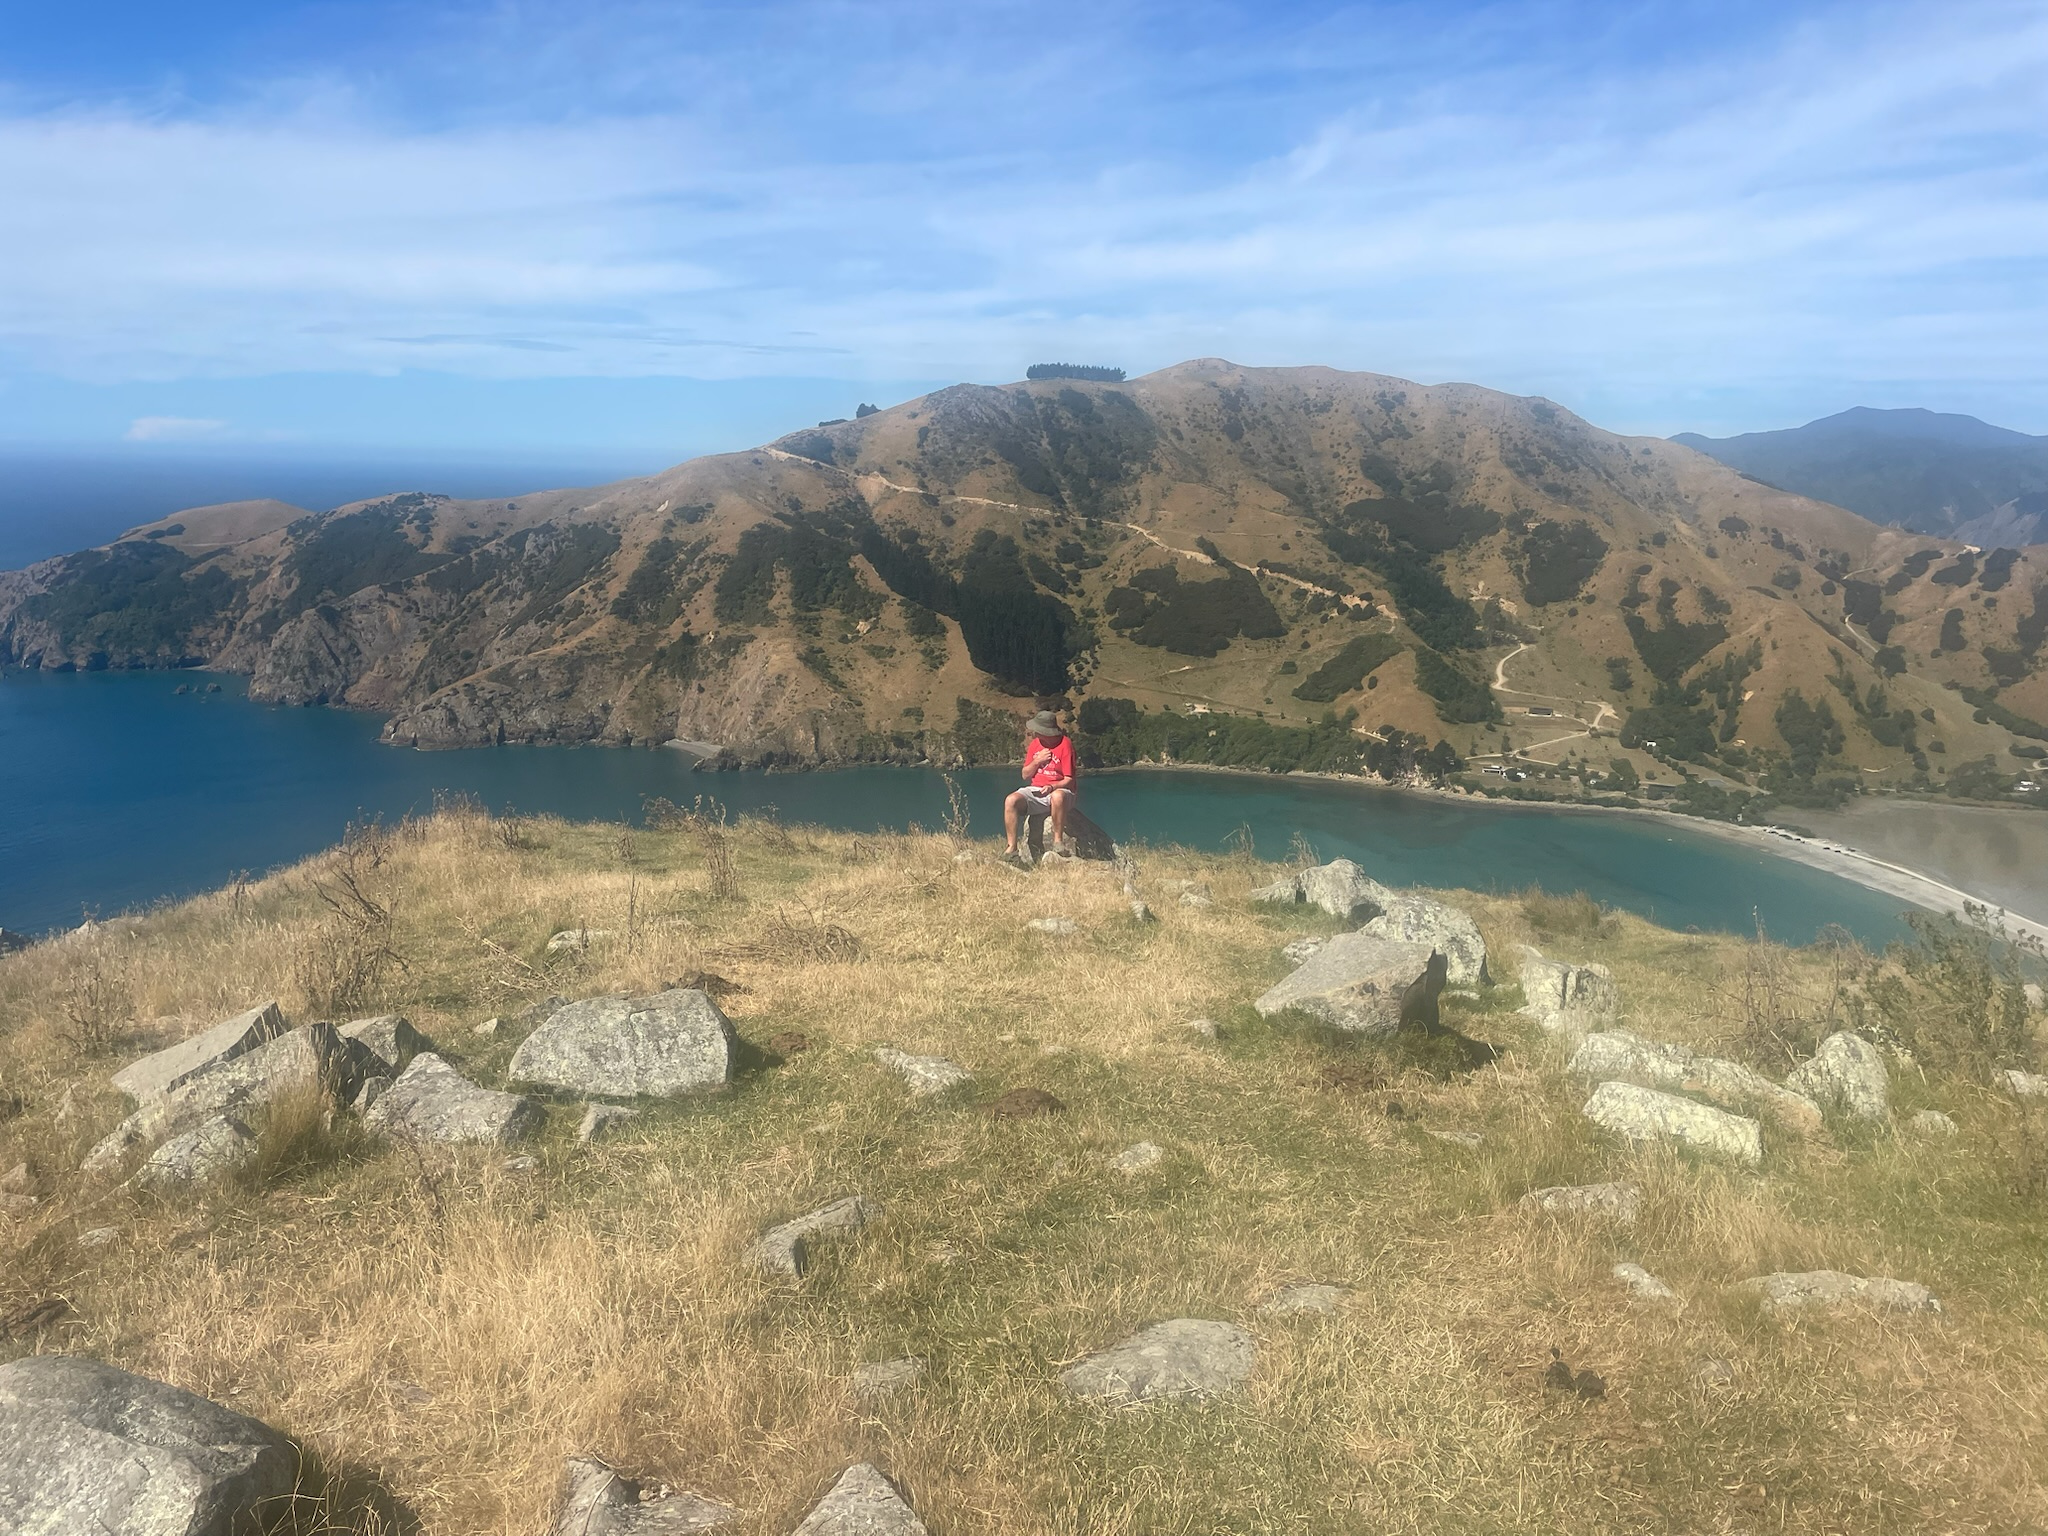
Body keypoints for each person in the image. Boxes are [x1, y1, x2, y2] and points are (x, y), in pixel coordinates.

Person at [1004, 709, 1077, 862]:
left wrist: (1052, 787)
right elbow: (1025, 775)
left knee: (1057, 796)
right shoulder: (1035, 745)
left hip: (1060, 791)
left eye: (1037, 730)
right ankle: (1011, 848)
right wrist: (1037, 761)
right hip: (1037, 790)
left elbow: (1069, 779)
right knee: (1011, 800)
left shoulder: (1065, 744)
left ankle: (1058, 841)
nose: (1034, 733)